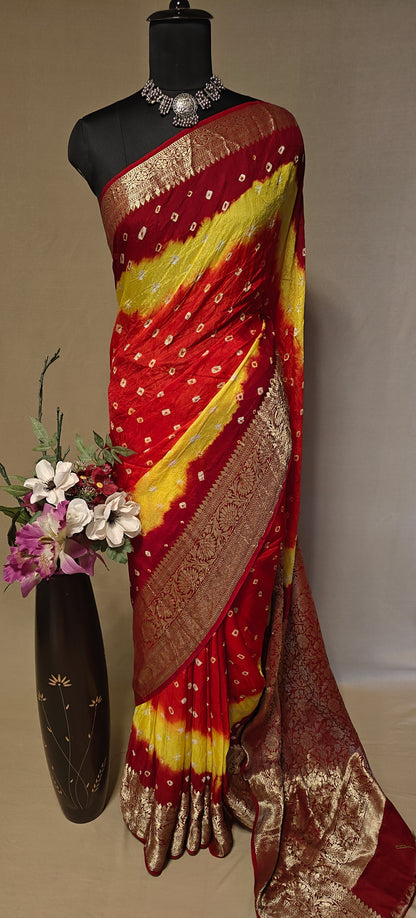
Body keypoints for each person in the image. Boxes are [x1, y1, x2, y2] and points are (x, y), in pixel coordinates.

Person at [69, 3, 416, 914]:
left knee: (238, 600)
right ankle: (172, 784)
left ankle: (220, 765)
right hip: (150, 416)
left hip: (246, 416)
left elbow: (279, 291)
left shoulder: (275, 135)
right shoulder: (94, 137)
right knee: (165, 598)